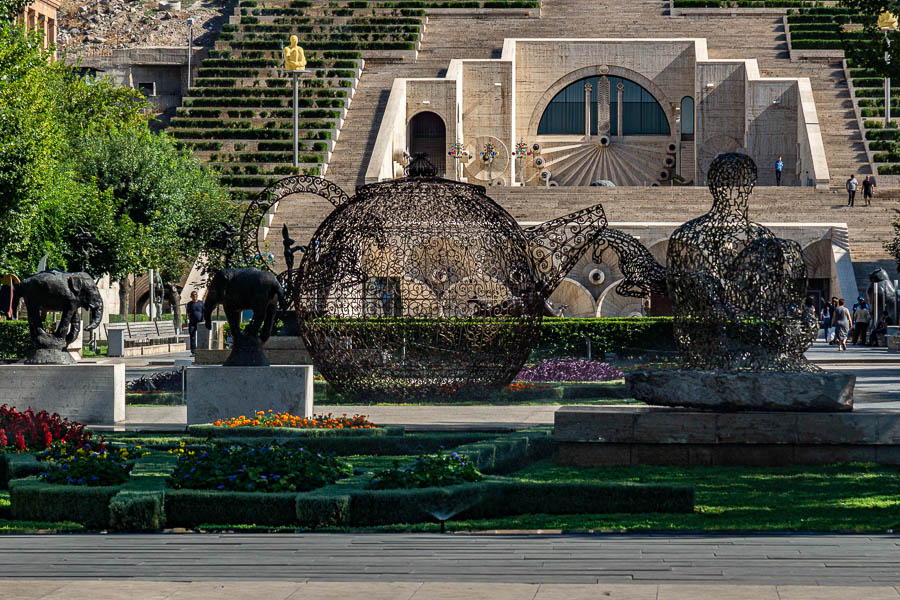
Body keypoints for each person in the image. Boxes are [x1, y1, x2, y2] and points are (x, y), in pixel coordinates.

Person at [186, 290, 204, 355]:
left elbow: (204, 312)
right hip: (192, 323)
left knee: (201, 337)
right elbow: (188, 313)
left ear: (197, 295)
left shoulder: (201, 303)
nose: (194, 296)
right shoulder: (189, 304)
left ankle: (202, 350)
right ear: (191, 296)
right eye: (193, 295)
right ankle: (193, 351)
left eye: (195, 295)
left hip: (201, 323)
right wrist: (190, 319)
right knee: (192, 336)